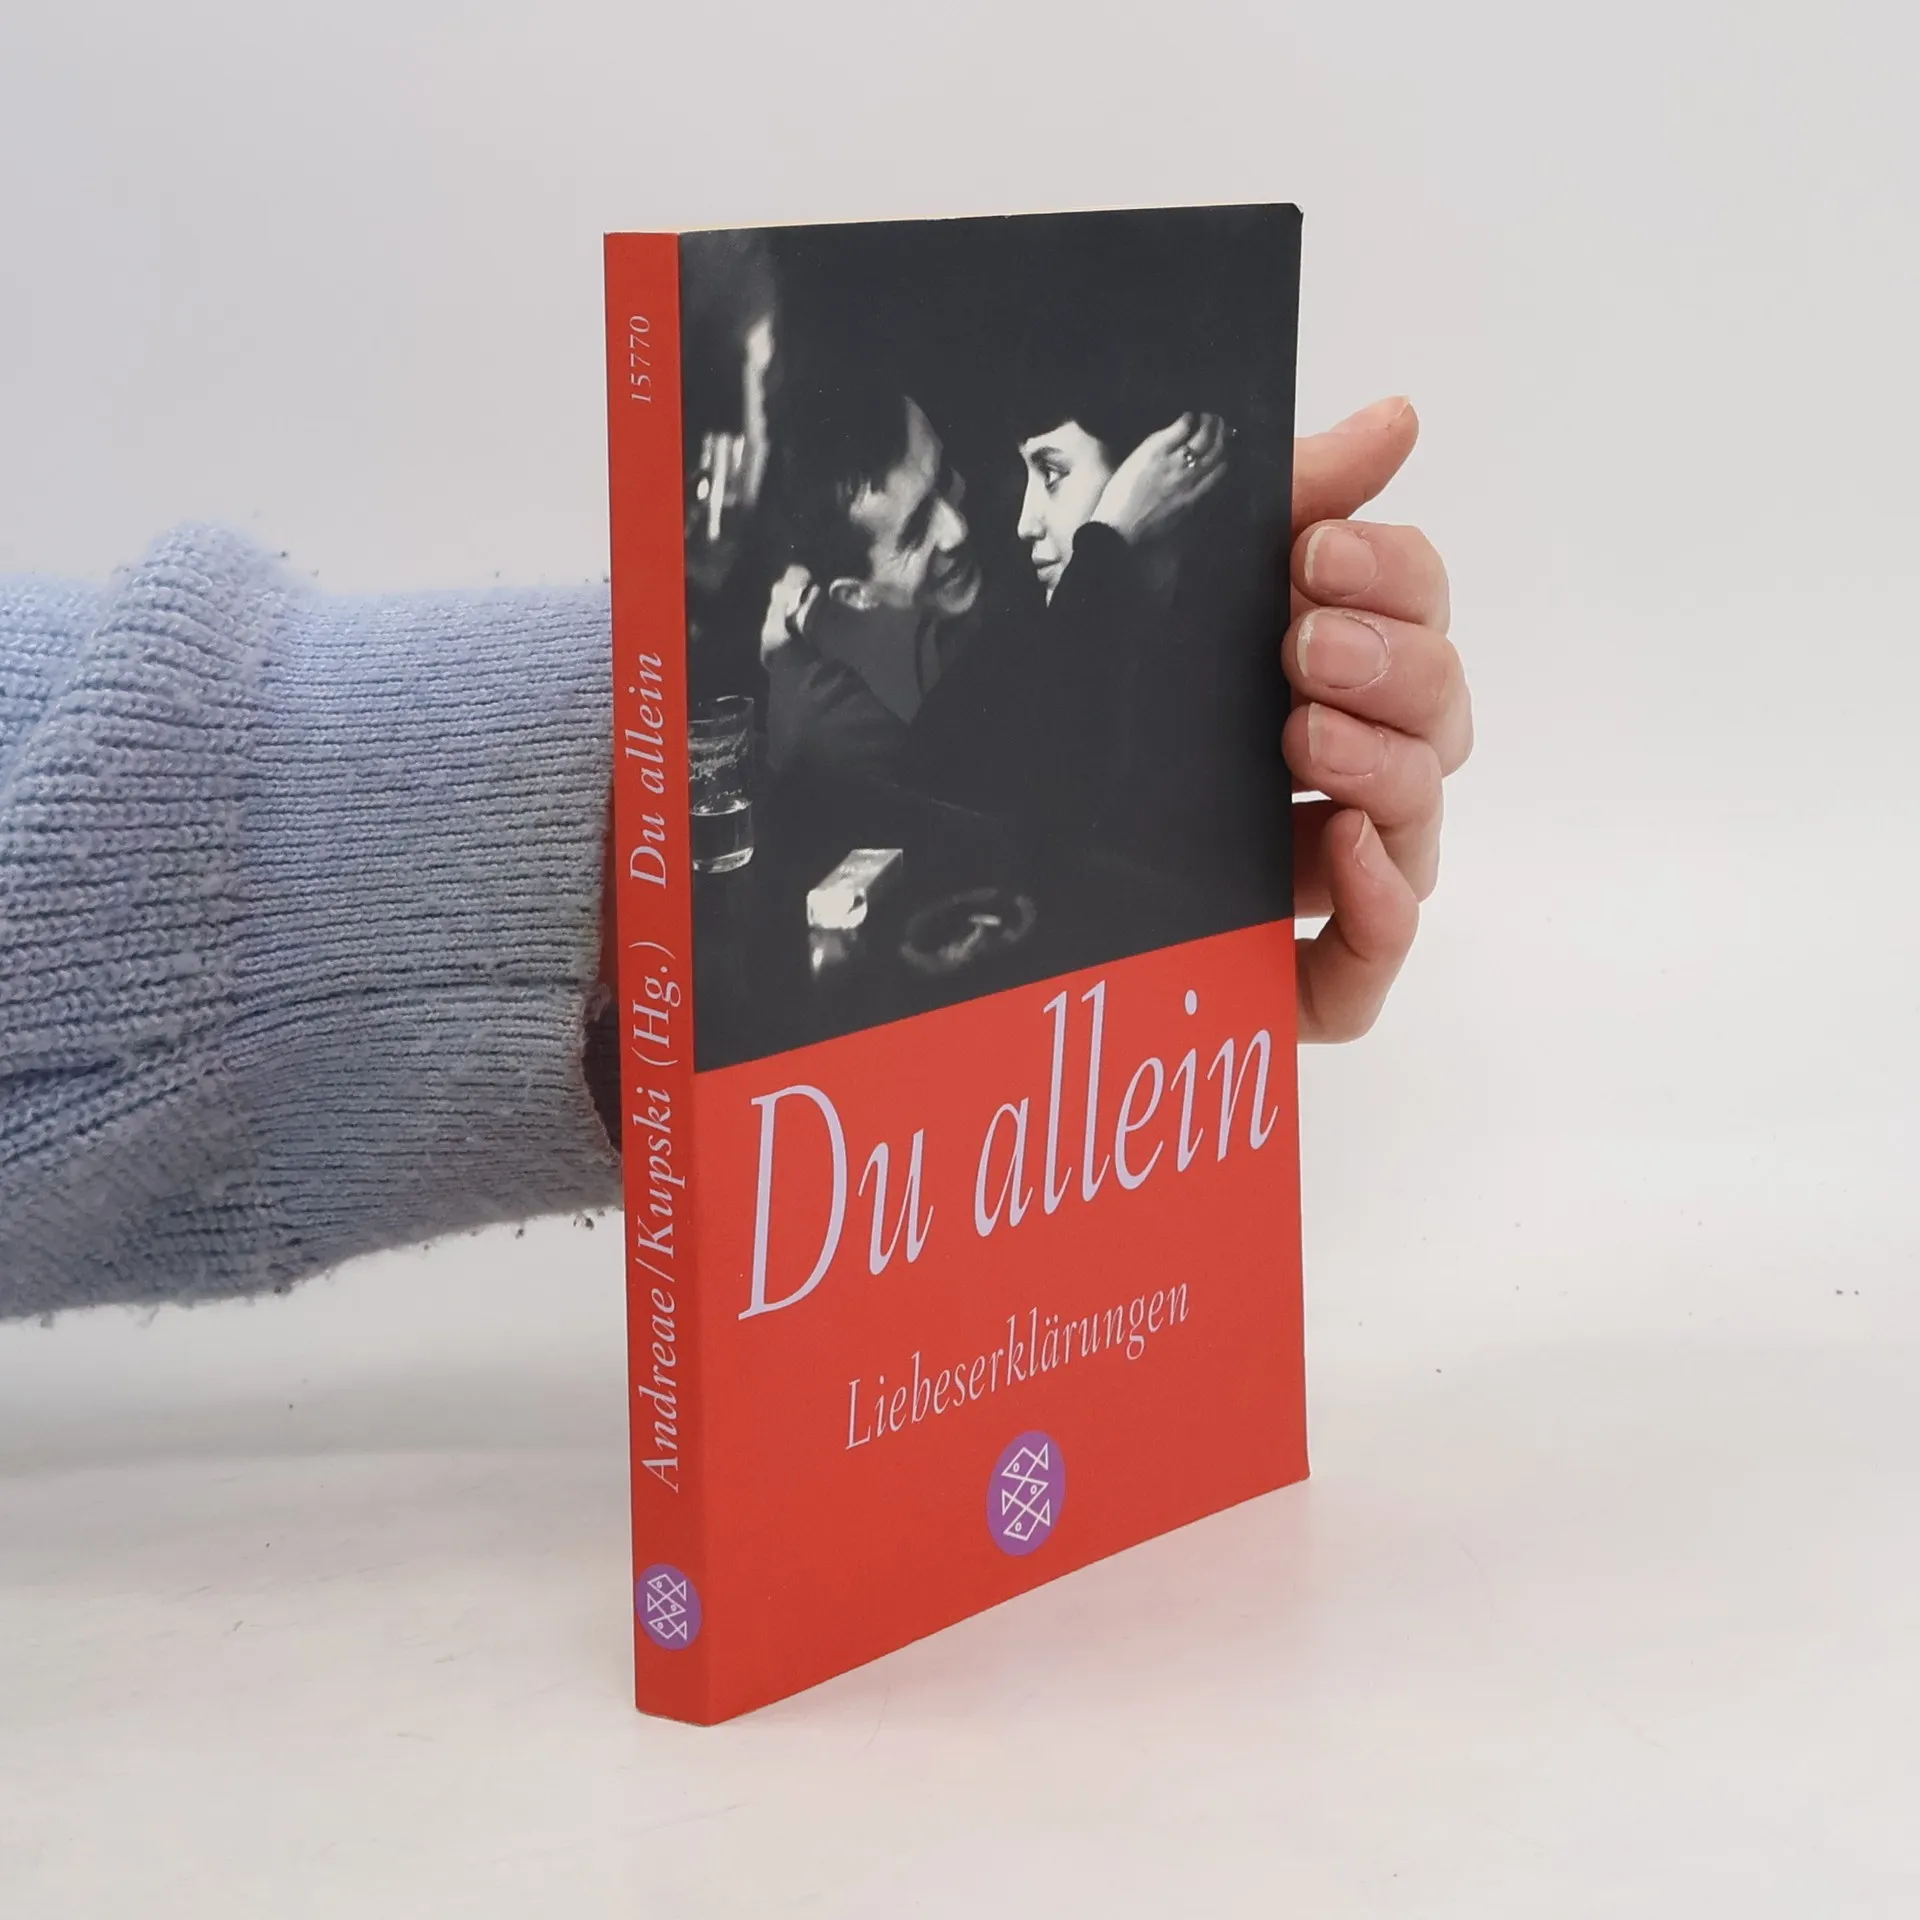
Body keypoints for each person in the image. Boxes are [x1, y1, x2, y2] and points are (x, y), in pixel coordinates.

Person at [0, 396, 1469, 1322]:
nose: (974, 535)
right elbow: (955, 796)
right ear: (835, 573)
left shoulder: (921, 666)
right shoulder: (831, 695)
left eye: (991, 489)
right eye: (922, 520)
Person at [757, 379, 989, 782]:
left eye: (943, 479)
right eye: (916, 530)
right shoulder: (841, 725)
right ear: (856, 594)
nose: (957, 530)